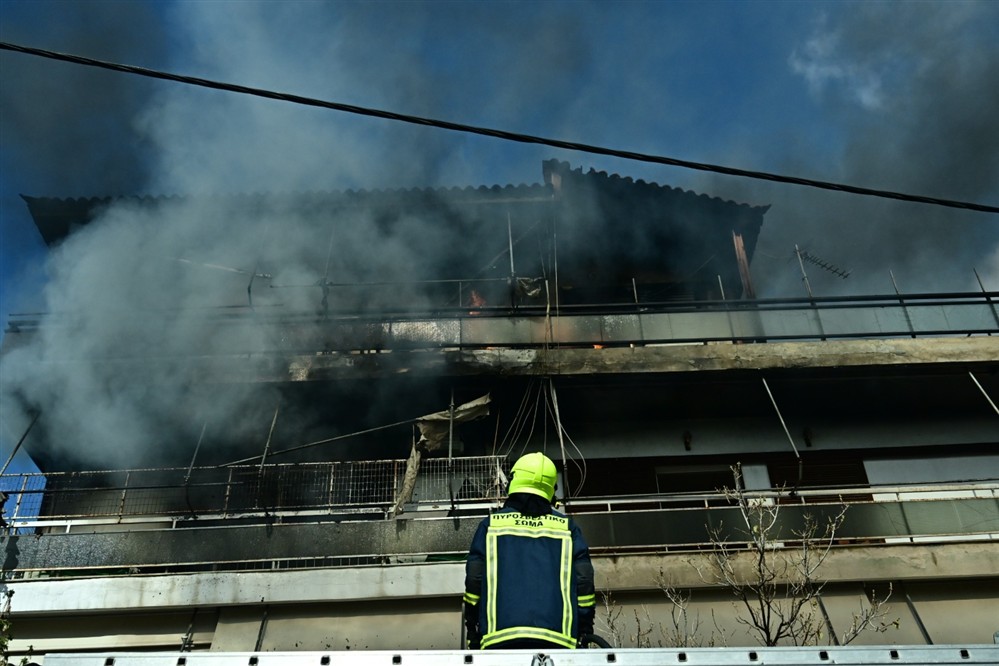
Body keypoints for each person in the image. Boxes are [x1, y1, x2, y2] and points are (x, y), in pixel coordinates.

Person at [463, 452, 595, 650]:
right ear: (551, 488)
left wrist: (472, 628)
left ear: (515, 481)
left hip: (498, 639)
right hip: (558, 641)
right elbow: (584, 583)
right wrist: (585, 630)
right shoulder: (568, 528)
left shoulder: (491, 525)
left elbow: (474, 581)